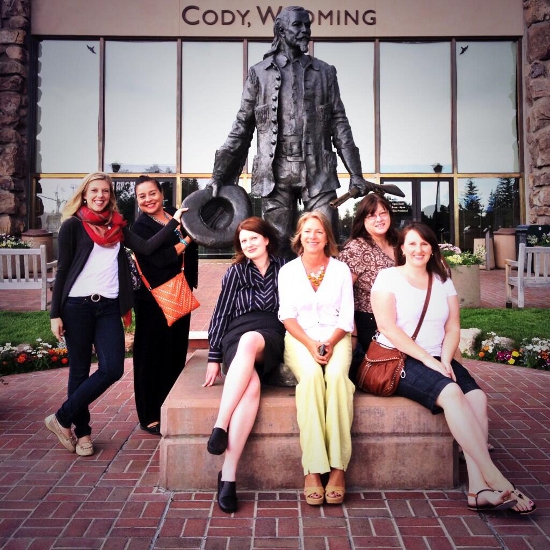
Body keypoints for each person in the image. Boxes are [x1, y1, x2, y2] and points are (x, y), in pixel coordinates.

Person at [370, 222, 536, 515]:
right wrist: (428, 360)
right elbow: (388, 328)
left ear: (432, 248)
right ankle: (492, 474)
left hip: (439, 355)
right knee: (450, 392)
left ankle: (477, 489)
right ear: (402, 248)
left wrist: (446, 359)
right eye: (412, 244)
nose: (418, 249)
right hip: (400, 358)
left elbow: (453, 326)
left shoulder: (442, 279)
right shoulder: (388, 278)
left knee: (477, 398)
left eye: (424, 244)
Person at [206, 5, 381, 259]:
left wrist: (356, 173)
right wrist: (219, 175)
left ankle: (324, 295)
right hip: (275, 173)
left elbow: (340, 123)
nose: (305, 31)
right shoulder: (258, 74)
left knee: (323, 237)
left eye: (307, 26)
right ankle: (279, 298)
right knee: (277, 246)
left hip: (318, 170)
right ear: (281, 30)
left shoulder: (325, 72)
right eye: (298, 25)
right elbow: (242, 127)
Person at [46, 172, 186, 457]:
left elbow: (146, 247)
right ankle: (82, 432)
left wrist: (174, 222)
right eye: (94, 191)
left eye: (106, 192)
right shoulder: (73, 226)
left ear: (111, 196)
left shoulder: (118, 227)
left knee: (113, 368)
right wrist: (55, 313)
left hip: (109, 306)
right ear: (85, 194)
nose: (100, 196)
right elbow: (61, 271)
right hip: (76, 307)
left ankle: (61, 418)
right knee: (80, 370)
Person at [203, 217, 286, 514]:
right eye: (243, 240)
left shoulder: (285, 268)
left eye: (253, 238)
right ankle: (228, 476)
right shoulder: (236, 272)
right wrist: (214, 357)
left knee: (252, 340)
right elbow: (220, 315)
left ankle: (219, 425)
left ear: (266, 239)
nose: (248, 244)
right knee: (251, 387)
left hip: (272, 335)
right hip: (235, 335)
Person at [278, 211, 355, 506]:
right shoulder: (288, 271)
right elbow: (287, 316)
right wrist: (311, 344)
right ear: (299, 236)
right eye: (307, 231)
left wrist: (331, 342)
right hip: (300, 337)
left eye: (319, 232)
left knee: (336, 379)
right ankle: (312, 468)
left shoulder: (340, 270)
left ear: (327, 238)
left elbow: (347, 316)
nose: (313, 237)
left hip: (336, 336)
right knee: (310, 378)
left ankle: (337, 468)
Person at [131, 176, 199, 435]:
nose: (148, 199)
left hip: (179, 292)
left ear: (162, 193)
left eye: (152, 193)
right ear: (137, 201)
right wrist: (186, 241)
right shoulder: (140, 227)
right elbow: (159, 259)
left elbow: (197, 238)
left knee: (175, 352)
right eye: (142, 196)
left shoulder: (175, 215)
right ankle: (149, 414)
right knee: (151, 356)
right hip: (152, 300)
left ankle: (170, 405)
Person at [338, 193, 398, 376]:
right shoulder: (356, 249)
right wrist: (353, 332)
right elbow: (341, 295)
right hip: (371, 322)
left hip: (402, 318)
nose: (379, 219)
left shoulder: (399, 244)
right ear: (362, 220)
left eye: (383, 213)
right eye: (371, 215)